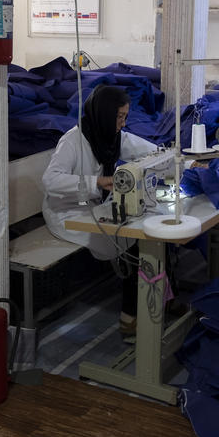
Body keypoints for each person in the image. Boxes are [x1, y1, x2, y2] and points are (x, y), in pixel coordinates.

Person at [42, 84, 159, 335]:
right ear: (104, 113)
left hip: (93, 205)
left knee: (145, 232)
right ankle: (130, 316)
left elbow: (151, 153)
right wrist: (95, 182)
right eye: (119, 117)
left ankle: (158, 299)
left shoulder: (113, 137)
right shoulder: (73, 140)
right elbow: (50, 180)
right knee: (134, 239)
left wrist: (183, 161)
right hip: (67, 212)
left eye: (125, 117)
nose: (123, 124)